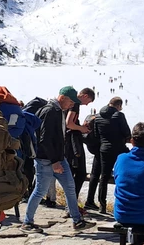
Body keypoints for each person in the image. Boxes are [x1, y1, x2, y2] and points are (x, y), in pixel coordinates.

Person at [22, 87, 92, 231]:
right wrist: (55, 162)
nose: (72, 105)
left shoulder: (57, 110)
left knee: (70, 187)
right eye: (71, 101)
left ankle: (77, 221)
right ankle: (27, 222)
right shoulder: (50, 111)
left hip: (57, 158)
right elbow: (45, 140)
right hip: (47, 160)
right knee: (40, 191)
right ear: (63, 98)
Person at [86, 96, 130, 213]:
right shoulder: (119, 115)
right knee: (125, 175)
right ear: (118, 106)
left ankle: (102, 205)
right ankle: (125, 203)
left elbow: (96, 135)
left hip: (104, 150)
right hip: (119, 149)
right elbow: (127, 132)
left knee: (104, 178)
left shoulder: (98, 116)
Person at [65, 87, 96, 203]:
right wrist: (81, 128)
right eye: (89, 101)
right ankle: (72, 203)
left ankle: (70, 204)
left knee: (71, 173)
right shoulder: (75, 104)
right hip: (72, 143)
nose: (87, 104)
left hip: (66, 141)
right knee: (80, 173)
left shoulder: (69, 103)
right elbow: (69, 123)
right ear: (85, 96)